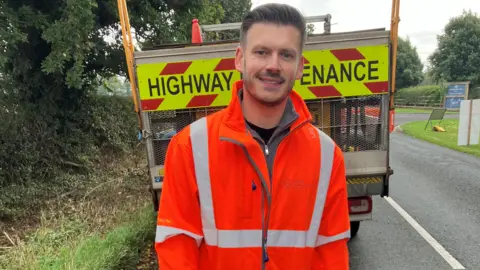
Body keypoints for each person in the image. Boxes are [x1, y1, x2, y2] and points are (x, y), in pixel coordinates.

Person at [154, 3, 350, 270]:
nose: (273, 65)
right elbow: (177, 247)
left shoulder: (327, 156)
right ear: (239, 59)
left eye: (286, 55)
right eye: (261, 52)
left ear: (300, 66)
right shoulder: (190, 146)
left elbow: (331, 254)